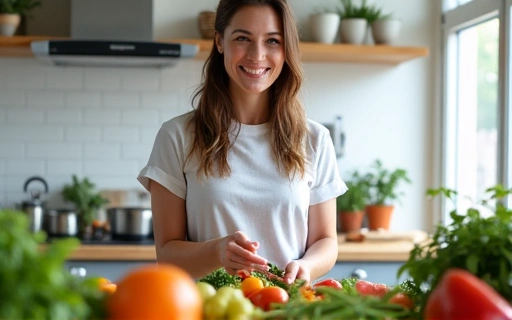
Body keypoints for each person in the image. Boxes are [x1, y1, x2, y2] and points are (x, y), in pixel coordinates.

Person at [137, 0, 347, 284]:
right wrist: (216, 252)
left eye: (272, 40)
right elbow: (167, 255)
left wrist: (307, 266)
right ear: (220, 41)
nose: (257, 54)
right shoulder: (177, 136)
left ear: (286, 50)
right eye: (242, 38)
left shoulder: (315, 139)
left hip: (286, 307)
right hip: (209, 309)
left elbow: (325, 240)